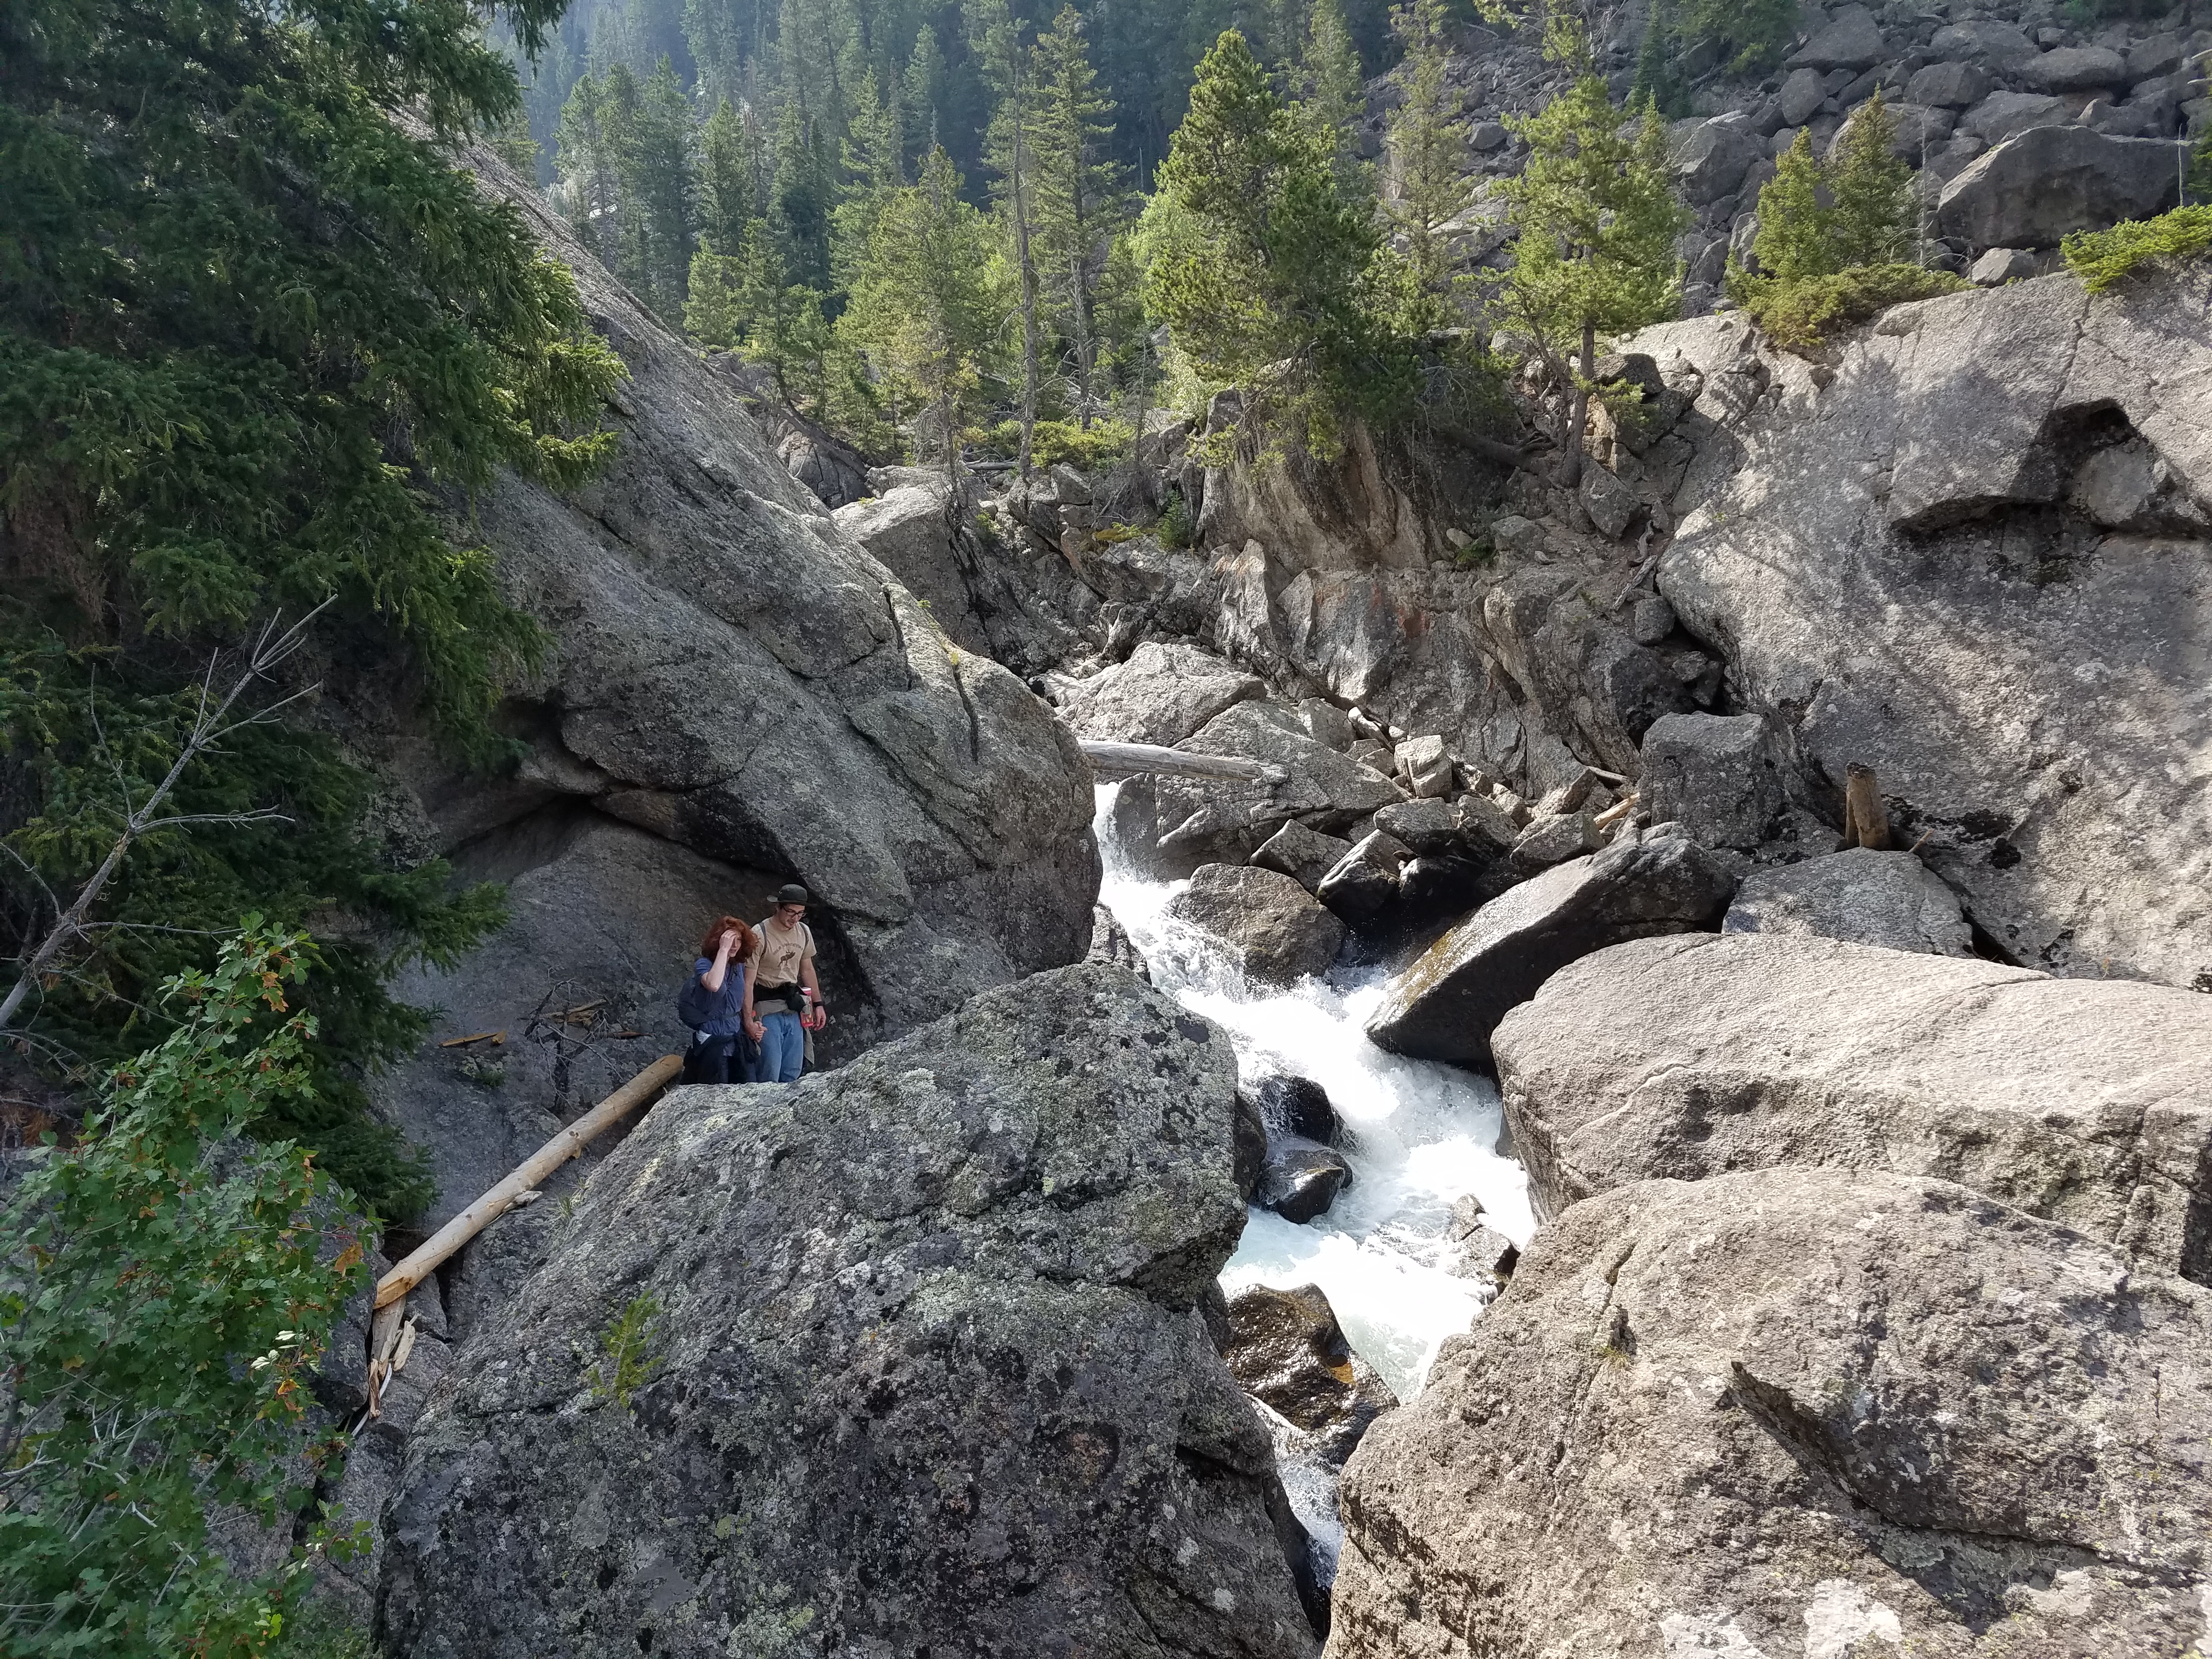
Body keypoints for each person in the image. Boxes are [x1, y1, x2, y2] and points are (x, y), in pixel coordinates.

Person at [742, 883, 827, 1084]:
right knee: (770, 1068)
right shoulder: (759, 934)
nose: (795, 918)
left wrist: (818, 1004)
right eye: (790, 912)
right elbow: (748, 981)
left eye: (800, 913)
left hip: (793, 1005)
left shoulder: (804, 932)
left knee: (793, 1069)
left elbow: (807, 969)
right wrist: (748, 1021)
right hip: (766, 1006)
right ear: (778, 907)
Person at [681, 916, 763, 1084]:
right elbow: (714, 984)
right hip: (713, 1039)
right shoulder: (704, 964)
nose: (734, 946)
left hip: (735, 1037)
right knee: (716, 1088)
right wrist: (723, 951)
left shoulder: (738, 966)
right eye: (729, 940)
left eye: (738, 940)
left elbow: (742, 997)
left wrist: (751, 1024)